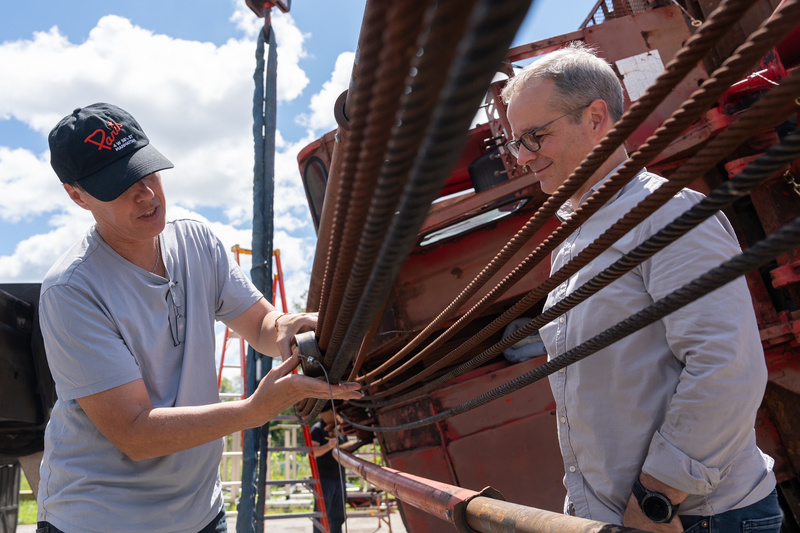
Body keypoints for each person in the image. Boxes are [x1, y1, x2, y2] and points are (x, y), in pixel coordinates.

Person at [36, 102, 362, 533]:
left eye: (146, 171)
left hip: (199, 513)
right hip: (102, 517)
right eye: (120, 185)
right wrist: (252, 411)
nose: (147, 195)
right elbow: (135, 433)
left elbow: (263, 326)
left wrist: (292, 326)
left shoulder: (195, 238)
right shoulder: (72, 290)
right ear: (76, 195)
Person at [500, 43, 781, 532]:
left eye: (534, 136)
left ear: (596, 117)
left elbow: (726, 367)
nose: (523, 158)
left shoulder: (665, 214)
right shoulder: (574, 240)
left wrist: (655, 499)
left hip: (692, 520)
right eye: (515, 143)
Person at [309, 402, 349, 533]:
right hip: (324, 479)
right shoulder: (317, 429)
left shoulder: (340, 429)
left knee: (338, 515)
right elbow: (312, 452)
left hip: (340, 478)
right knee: (322, 514)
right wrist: (328, 446)